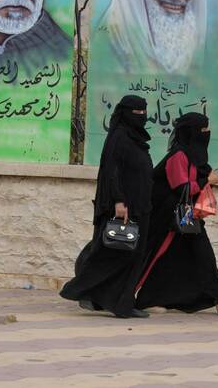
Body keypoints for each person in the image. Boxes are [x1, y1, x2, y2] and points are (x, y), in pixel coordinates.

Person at [135, 112, 218, 315]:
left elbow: (195, 181)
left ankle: (148, 299)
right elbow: (181, 188)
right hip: (170, 216)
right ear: (191, 132)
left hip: (186, 216)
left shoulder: (194, 157)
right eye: (203, 129)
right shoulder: (178, 156)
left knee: (170, 259)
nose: (207, 133)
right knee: (203, 256)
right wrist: (207, 181)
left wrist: (208, 179)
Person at [60, 95, 153, 319]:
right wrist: (119, 201)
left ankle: (119, 302)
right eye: (137, 113)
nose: (142, 116)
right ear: (126, 113)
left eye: (144, 112)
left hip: (140, 205)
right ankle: (82, 290)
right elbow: (112, 171)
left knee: (132, 256)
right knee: (116, 255)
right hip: (125, 207)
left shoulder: (134, 138)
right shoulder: (119, 136)